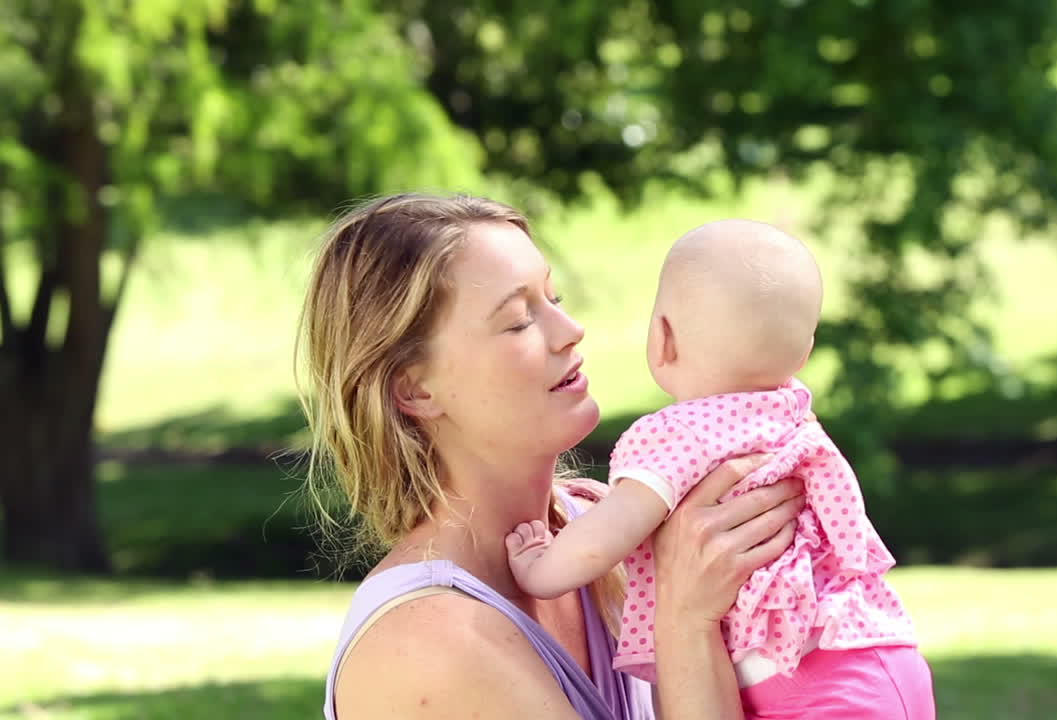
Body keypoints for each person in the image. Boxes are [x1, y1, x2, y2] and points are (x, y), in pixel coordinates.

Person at [298, 194, 807, 719]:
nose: (571, 330)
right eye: (519, 320)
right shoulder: (428, 643)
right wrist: (684, 622)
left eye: (554, 296)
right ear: (415, 389)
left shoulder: (612, 529)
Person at [505, 219, 936, 719]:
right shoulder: (791, 412)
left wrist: (540, 569)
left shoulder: (682, 434)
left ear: (663, 339)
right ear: (805, 350)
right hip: (879, 650)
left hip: (793, 678)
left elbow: (608, 534)